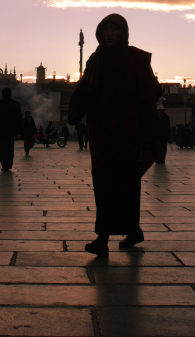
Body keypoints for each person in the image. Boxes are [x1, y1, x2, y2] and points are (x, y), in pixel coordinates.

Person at [68, 13, 161, 256]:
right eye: (105, 29)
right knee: (103, 183)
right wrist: (76, 110)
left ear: (124, 33)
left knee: (128, 185)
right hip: (101, 131)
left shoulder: (136, 59)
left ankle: (106, 237)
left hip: (128, 133)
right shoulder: (96, 59)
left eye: (114, 29)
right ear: (100, 33)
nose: (109, 34)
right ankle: (119, 233)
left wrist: (138, 120)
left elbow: (153, 91)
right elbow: (84, 86)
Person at [0, 88, 21, 171]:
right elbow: (19, 118)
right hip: (11, 130)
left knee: (2, 147)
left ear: (2, 94)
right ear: (11, 94)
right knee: (10, 147)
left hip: (1, 130)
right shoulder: (16, 104)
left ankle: (4, 164)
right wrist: (17, 130)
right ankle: (9, 163)